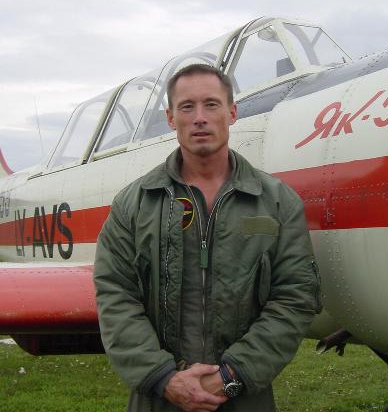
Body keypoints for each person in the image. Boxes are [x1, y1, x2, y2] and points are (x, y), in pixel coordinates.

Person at [94, 63, 321, 411]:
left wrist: (232, 375)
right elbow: (115, 295)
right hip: (158, 398)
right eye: (187, 107)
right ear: (171, 118)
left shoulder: (277, 202)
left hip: (243, 397)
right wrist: (164, 378)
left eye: (211, 104)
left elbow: (296, 295)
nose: (199, 118)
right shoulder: (134, 204)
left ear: (232, 113)